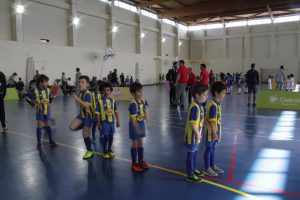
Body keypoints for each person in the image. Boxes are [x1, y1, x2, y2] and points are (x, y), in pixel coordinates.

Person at [184, 85, 208, 182]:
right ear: (197, 95)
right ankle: (190, 174)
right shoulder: (194, 107)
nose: (206, 97)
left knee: (194, 153)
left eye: (207, 95)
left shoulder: (200, 106)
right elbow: (192, 122)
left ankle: (193, 169)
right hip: (192, 136)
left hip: (196, 135)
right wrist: (198, 133)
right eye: (204, 95)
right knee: (191, 154)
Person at [203, 81, 226, 177]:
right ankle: (207, 168)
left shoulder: (217, 103)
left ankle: (212, 165)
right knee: (209, 149)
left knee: (213, 149)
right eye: (223, 93)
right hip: (211, 132)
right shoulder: (213, 105)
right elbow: (211, 121)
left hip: (216, 131)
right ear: (216, 93)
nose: (224, 95)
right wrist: (214, 133)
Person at [69, 76, 95, 159]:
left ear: (87, 84)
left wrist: (76, 98)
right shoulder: (80, 92)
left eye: (82, 82)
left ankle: (89, 151)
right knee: (72, 127)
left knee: (85, 134)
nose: (80, 84)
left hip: (89, 116)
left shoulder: (88, 94)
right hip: (82, 114)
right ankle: (86, 128)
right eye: (79, 82)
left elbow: (86, 105)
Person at [31, 74, 58, 150]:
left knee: (48, 125)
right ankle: (39, 142)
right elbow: (28, 98)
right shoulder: (35, 91)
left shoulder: (48, 90)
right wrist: (34, 104)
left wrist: (50, 103)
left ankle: (50, 141)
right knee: (39, 125)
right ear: (40, 83)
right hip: (40, 111)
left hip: (47, 111)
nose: (47, 83)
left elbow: (51, 97)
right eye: (46, 82)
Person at [95, 82, 120, 158]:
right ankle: (104, 151)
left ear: (111, 91)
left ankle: (109, 149)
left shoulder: (113, 101)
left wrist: (118, 120)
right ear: (102, 92)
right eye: (104, 90)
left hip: (111, 122)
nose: (106, 92)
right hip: (104, 122)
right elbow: (97, 113)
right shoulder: (99, 102)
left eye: (108, 90)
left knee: (111, 136)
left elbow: (116, 111)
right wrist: (99, 124)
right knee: (105, 137)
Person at [129, 83, 149, 172]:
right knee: (135, 144)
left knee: (141, 143)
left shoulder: (144, 100)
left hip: (141, 124)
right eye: (138, 91)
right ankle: (134, 163)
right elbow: (133, 119)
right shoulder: (133, 104)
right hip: (134, 126)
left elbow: (146, 111)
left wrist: (147, 121)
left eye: (141, 91)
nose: (141, 93)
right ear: (133, 94)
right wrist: (137, 128)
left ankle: (140, 161)